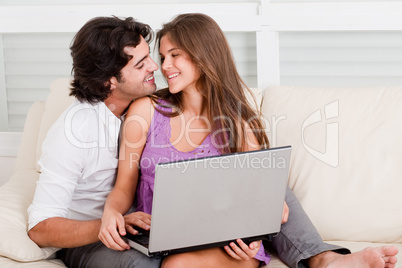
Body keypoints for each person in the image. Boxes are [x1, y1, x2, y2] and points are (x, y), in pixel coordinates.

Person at [99, 13, 399, 268]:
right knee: (177, 263)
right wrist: (112, 212)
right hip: (162, 237)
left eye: (175, 55)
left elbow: (262, 199)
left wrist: (258, 227)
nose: (165, 66)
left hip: (227, 242)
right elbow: (124, 185)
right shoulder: (146, 111)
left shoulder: (238, 122)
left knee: (271, 184)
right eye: (163, 57)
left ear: (204, 54)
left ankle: (327, 260)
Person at [27, 16, 161, 268]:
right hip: (90, 240)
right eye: (141, 64)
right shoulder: (73, 133)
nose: (154, 66)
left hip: (144, 227)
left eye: (149, 56)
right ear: (108, 81)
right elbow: (40, 229)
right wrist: (110, 223)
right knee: (141, 264)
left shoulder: (146, 106)